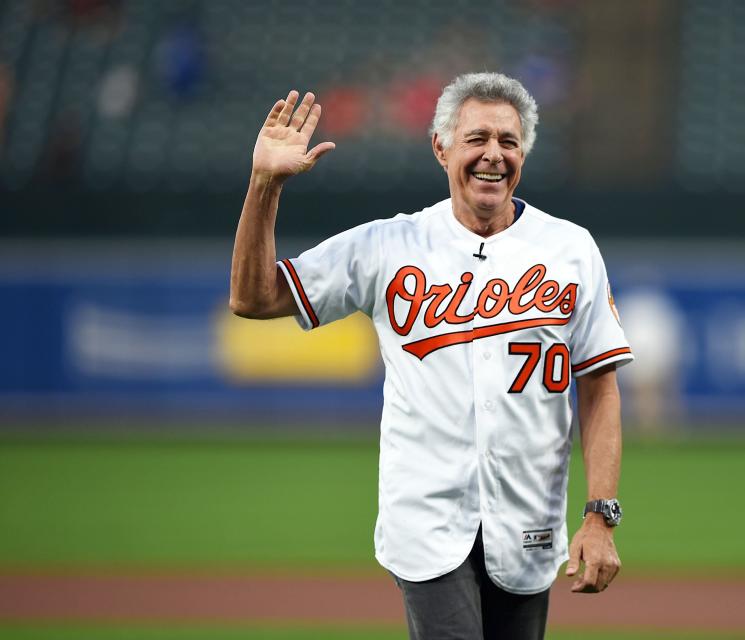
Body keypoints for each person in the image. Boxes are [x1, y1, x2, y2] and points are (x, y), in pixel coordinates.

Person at [230, 72, 633, 640]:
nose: (493, 154)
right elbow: (253, 296)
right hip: (426, 520)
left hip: (529, 522)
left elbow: (600, 386)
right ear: (440, 147)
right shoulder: (389, 245)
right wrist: (264, 184)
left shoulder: (570, 248)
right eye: (477, 138)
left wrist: (600, 515)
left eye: (508, 142)